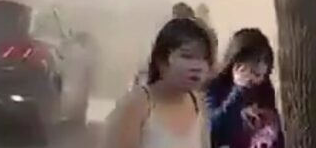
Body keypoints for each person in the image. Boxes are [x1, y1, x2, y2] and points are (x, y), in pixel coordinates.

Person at [106, 17, 214, 148]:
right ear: (161, 61)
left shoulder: (198, 104)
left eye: (204, 59)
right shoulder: (137, 104)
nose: (197, 66)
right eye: (187, 56)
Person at [206, 28, 283, 148]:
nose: (258, 80)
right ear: (236, 66)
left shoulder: (264, 89)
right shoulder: (216, 87)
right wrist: (239, 91)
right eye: (254, 73)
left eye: (263, 75)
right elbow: (215, 131)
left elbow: (277, 139)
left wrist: (271, 122)